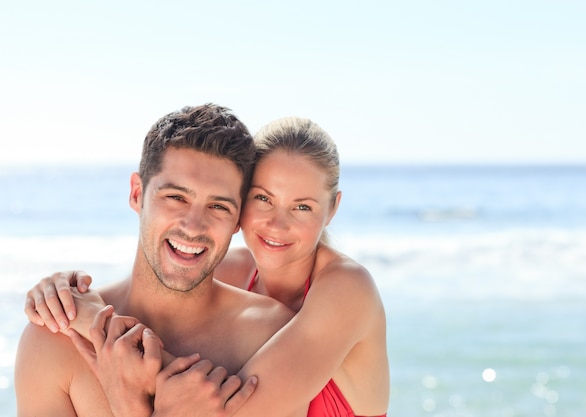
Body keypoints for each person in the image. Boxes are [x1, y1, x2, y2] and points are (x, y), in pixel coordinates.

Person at [25, 117, 390, 416]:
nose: (277, 224)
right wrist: (63, 291)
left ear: (333, 208)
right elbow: (166, 274)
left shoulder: (344, 290)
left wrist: (97, 330)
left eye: (303, 206)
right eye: (263, 198)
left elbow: (218, 407)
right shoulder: (231, 270)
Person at [14, 103, 296, 417]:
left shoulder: (274, 338)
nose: (193, 226)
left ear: (238, 221)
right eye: (176, 197)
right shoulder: (54, 341)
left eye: (218, 207)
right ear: (137, 194)